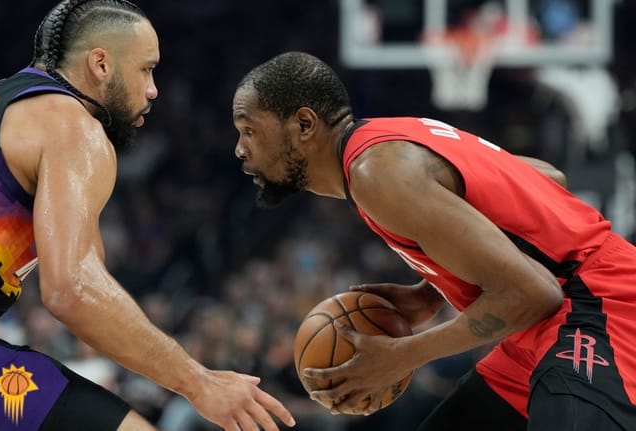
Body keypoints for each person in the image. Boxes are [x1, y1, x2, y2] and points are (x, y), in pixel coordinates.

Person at [0, 1, 297, 430]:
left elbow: (95, 294)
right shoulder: (71, 124)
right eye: (146, 70)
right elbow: (72, 291)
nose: (153, 90)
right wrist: (199, 381)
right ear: (100, 64)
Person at [230, 51, 636, 430]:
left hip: (600, 310)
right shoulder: (386, 143)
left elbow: (536, 293)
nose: (239, 149)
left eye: (249, 131)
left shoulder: (377, 174)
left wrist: (400, 357)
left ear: (304, 125)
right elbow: (546, 178)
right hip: (549, 324)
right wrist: (433, 289)